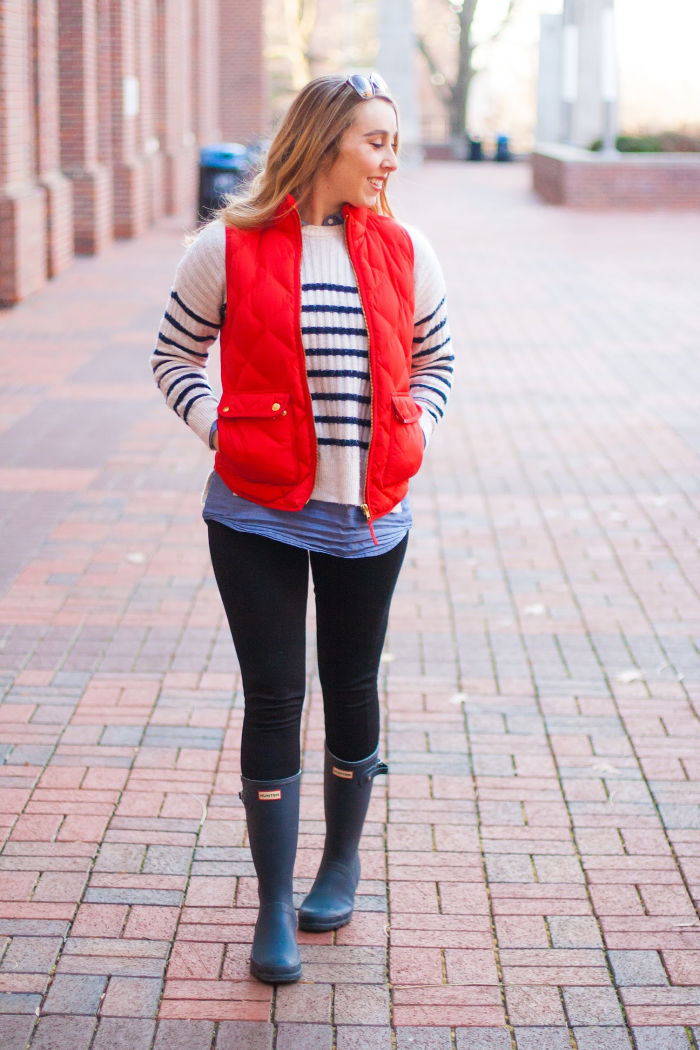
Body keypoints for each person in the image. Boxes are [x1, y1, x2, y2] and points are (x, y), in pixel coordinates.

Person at [151, 73, 453, 984]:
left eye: (393, 140)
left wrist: (417, 431)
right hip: (256, 515)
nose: (389, 159)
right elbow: (174, 355)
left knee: (351, 683)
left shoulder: (405, 249)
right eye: (375, 140)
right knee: (276, 695)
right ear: (324, 141)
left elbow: (437, 361)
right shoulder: (227, 247)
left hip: (370, 513)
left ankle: (340, 864)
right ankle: (275, 903)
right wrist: (221, 430)